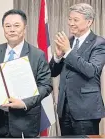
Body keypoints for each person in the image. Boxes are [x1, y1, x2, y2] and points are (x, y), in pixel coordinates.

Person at [0, 9, 52, 138]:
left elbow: (46, 85)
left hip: (25, 121)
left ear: (24, 28)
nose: (12, 29)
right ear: (3, 29)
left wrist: (24, 103)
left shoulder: (37, 55)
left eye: (16, 25)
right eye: (8, 26)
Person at [49, 3, 105, 136]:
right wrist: (57, 56)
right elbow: (52, 72)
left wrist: (68, 51)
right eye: (69, 19)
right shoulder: (68, 41)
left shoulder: (99, 43)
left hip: (86, 109)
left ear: (89, 21)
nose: (71, 23)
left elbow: (91, 70)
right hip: (64, 108)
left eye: (75, 20)